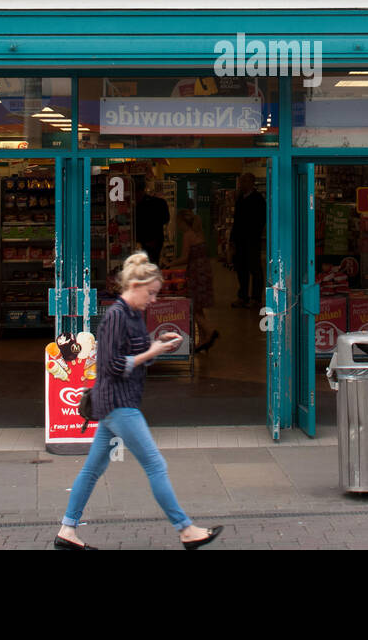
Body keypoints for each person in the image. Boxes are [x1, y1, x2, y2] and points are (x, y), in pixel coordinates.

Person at [56, 251, 222, 550]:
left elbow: (136, 355)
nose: (154, 299)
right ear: (134, 286)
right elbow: (113, 365)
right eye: (151, 293)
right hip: (118, 404)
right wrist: (152, 352)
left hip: (116, 403)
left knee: (93, 469)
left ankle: (67, 530)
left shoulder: (132, 315)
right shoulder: (115, 317)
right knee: (156, 465)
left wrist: (159, 346)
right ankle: (185, 529)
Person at [176, 208, 218, 353]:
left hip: (195, 272)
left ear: (182, 222)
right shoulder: (199, 233)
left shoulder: (187, 235)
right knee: (199, 306)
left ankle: (210, 330)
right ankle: (203, 340)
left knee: (192, 307)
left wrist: (170, 263)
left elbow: (185, 257)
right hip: (204, 270)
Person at [231, 172, 266, 310]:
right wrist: (232, 239)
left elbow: (261, 220)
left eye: (244, 181)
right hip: (239, 240)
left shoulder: (258, 199)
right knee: (241, 269)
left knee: (255, 268)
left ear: (252, 182)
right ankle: (243, 296)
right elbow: (236, 221)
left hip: (252, 240)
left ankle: (256, 298)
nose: (241, 184)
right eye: (241, 181)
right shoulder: (240, 199)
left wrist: (253, 234)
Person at [135, 177, 170, 265]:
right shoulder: (160, 202)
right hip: (154, 241)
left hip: (148, 241)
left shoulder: (140, 205)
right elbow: (166, 219)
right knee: (152, 265)